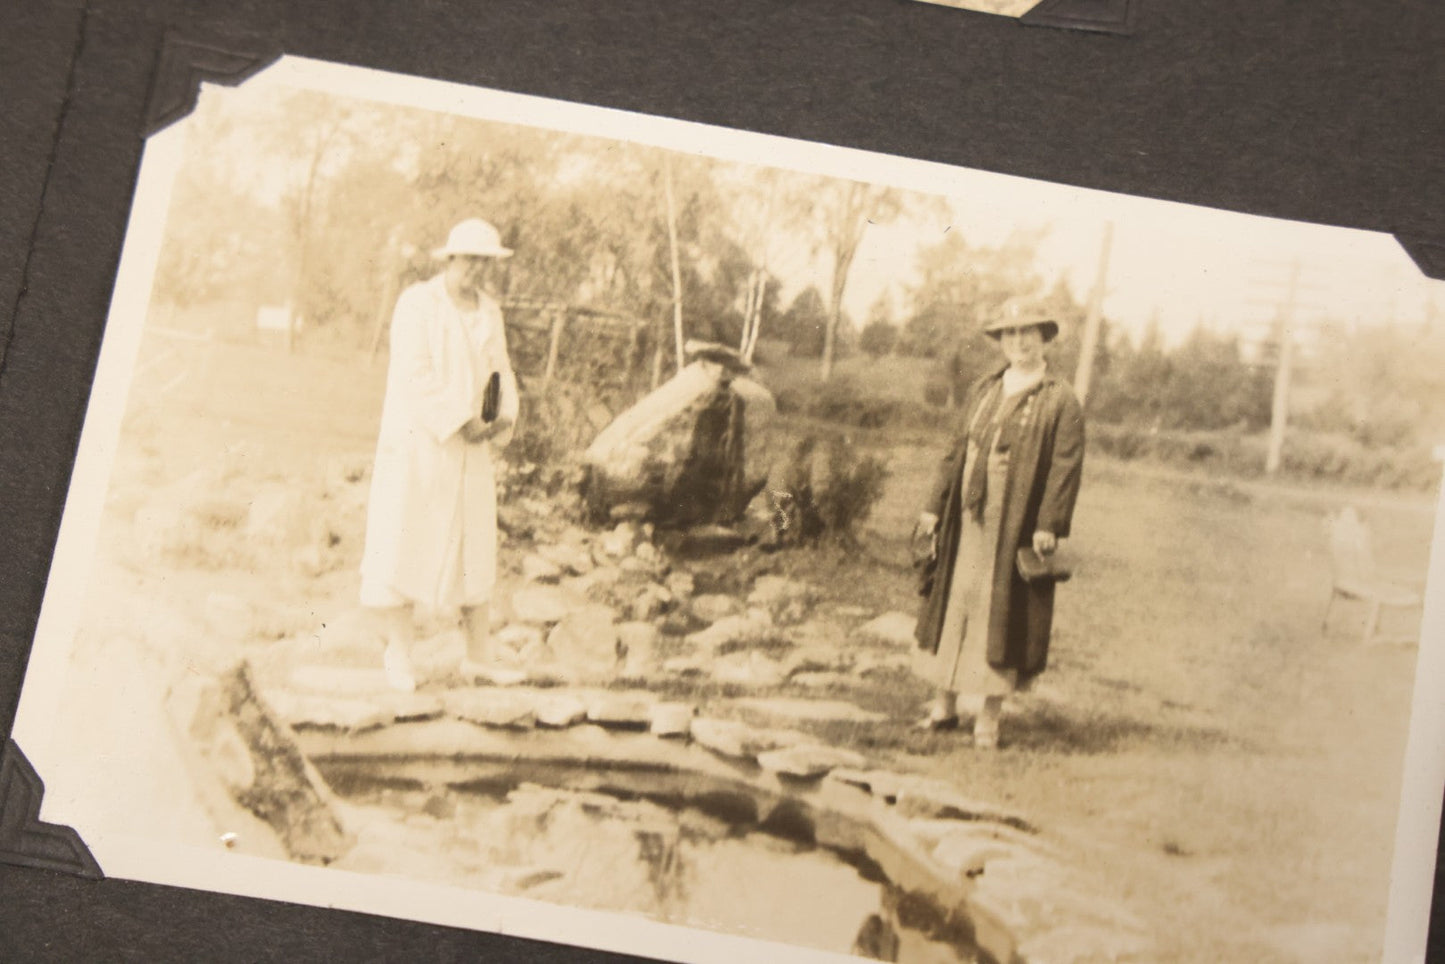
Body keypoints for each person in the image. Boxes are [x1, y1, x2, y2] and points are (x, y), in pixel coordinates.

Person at [913, 299, 1085, 748]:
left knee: (999, 612)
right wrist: (934, 506)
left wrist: (1049, 524)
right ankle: (944, 707)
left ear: (1044, 339)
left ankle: (988, 719)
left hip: (1014, 523)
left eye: (1028, 332)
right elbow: (956, 449)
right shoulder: (984, 388)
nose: (1019, 342)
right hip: (964, 520)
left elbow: (1065, 467)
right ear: (1001, 341)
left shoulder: (1060, 398)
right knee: (954, 601)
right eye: (1010, 333)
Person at [359, 218, 520, 692]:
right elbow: (415, 373)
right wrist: (458, 419)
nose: (477, 270)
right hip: (422, 444)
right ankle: (399, 654)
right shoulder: (418, 304)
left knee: (475, 545)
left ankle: (478, 656)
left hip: (472, 447)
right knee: (406, 538)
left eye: (485, 262)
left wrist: (498, 416)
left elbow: (499, 372)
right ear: (450, 259)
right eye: (470, 259)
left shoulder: (489, 312)